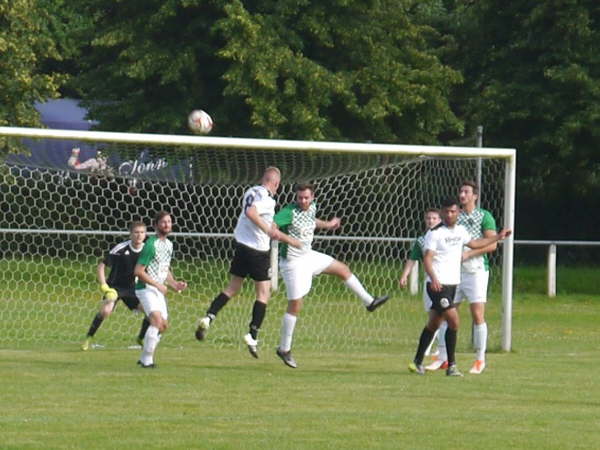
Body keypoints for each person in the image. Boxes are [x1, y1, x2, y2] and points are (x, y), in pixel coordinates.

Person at [274, 183, 390, 368]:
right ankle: (284, 349)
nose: (303, 201)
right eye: (300, 198)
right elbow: (271, 228)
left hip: (308, 255)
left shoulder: (312, 208)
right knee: (296, 304)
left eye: (306, 197)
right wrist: (290, 240)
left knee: (343, 269)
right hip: (292, 263)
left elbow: (312, 221)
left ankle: (370, 302)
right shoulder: (288, 212)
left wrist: (328, 224)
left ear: (312, 197)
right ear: (296, 197)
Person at [194, 167, 302, 358]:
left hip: (241, 246)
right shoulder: (268, 200)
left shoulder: (250, 191)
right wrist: (268, 229)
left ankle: (209, 318)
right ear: (275, 184)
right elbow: (252, 214)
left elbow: (250, 212)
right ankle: (252, 335)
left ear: (263, 178)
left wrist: (270, 228)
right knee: (263, 293)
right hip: (258, 251)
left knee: (233, 287)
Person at [408, 197, 510, 376]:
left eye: (453, 211)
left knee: (434, 323)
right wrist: (434, 278)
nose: (449, 215)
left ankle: (417, 362)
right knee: (454, 320)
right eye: (446, 212)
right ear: (442, 213)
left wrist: (498, 237)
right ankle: (452, 366)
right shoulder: (435, 233)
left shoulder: (461, 231)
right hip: (437, 286)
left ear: (458, 213)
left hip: (452, 284)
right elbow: (427, 259)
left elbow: (475, 244)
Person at [429, 180, 498, 374]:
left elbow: (492, 245)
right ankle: (443, 357)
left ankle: (480, 359)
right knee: (445, 312)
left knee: (477, 314)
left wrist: (468, 254)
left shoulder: (484, 216)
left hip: (476, 271)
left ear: (475, 196)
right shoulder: (454, 216)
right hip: (453, 272)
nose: (462, 195)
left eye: (466, 192)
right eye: (460, 191)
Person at [81, 221, 150, 351]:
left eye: (142, 232)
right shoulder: (120, 249)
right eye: (136, 232)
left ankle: (140, 338)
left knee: (150, 311)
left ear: (145, 234)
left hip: (133, 289)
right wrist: (104, 286)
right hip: (115, 287)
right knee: (105, 311)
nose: (139, 235)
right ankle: (88, 338)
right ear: (130, 234)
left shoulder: (147, 250)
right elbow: (101, 266)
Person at [134, 211, 188, 368]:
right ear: (156, 225)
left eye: (169, 222)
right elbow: (138, 271)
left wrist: (174, 283)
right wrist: (157, 285)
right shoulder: (151, 245)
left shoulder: (169, 245)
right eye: (163, 222)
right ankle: (147, 361)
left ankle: (144, 357)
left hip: (157, 290)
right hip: (145, 288)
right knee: (157, 322)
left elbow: (164, 270)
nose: (167, 225)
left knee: (163, 326)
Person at [399, 208, 443, 363]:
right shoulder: (421, 240)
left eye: (434, 218)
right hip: (429, 281)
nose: (431, 221)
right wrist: (405, 275)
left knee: (440, 314)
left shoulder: (444, 236)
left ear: (440, 220)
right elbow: (413, 259)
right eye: (428, 218)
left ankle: (438, 350)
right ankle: (435, 348)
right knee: (432, 315)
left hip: (445, 280)